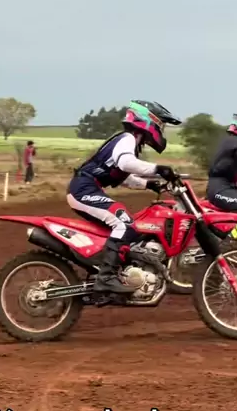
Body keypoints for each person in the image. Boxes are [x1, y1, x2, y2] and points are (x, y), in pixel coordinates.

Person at [67, 100, 181, 293]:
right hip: (83, 190)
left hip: (87, 189)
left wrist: (148, 184)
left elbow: (123, 175)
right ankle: (106, 278)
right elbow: (126, 163)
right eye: (160, 125)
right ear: (148, 121)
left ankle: (112, 269)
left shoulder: (129, 141)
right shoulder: (127, 138)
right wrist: (158, 169)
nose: (161, 130)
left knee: (126, 226)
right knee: (125, 224)